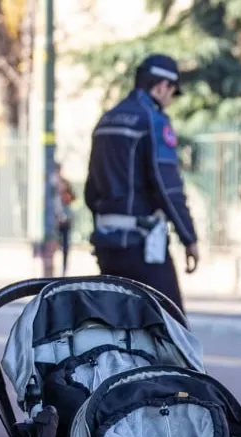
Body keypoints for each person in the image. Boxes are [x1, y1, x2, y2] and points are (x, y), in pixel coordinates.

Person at [84, 54, 199, 313]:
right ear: (161, 86)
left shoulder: (106, 120)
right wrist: (189, 237)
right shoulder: (153, 121)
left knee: (119, 328)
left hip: (107, 245)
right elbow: (167, 188)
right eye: (172, 92)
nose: (170, 100)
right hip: (141, 246)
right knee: (172, 328)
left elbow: (91, 190)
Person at [55, 163, 76, 276]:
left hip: (65, 220)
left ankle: (64, 269)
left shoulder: (65, 183)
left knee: (65, 246)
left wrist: (65, 192)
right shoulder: (50, 184)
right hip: (54, 220)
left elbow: (73, 197)